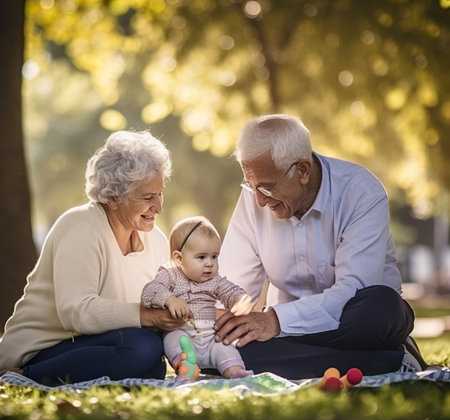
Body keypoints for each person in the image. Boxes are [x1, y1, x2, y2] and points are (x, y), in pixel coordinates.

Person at [214, 113, 428, 379]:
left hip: (355, 321)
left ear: (302, 170)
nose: (258, 200)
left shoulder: (361, 192)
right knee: (223, 349)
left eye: (267, 188)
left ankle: (298, 360)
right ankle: (388, 362)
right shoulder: (253, 198)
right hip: (288, 331)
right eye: (252, 185)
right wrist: (222, 318)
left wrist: (276, 321)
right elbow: (232, 287)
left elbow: (353, 290)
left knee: (379, 308)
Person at [0, 130, 186, 386]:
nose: (159, 207)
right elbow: (75, 312)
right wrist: (150, 316)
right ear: (113, 198)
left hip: (102, 345)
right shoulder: (81, 227)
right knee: (141, 347)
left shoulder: (156, 240)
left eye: (160, 194)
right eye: (147, 197)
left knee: (152, 358)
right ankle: (21, 377)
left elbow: (167, 300)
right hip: (41, 350)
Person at [141, 216, 254, 380]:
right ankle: (187, 368)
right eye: (201, 257)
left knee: (224, 347)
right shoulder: (169, 274)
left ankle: (236, 373)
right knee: (175, 340)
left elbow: (230, 290)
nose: (210, 263)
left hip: (210, 337)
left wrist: (240, 300)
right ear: (179, 258)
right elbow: (149, 292)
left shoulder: (215, 280)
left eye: (214, 256)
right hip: (181, 330)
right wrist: (170, 299)